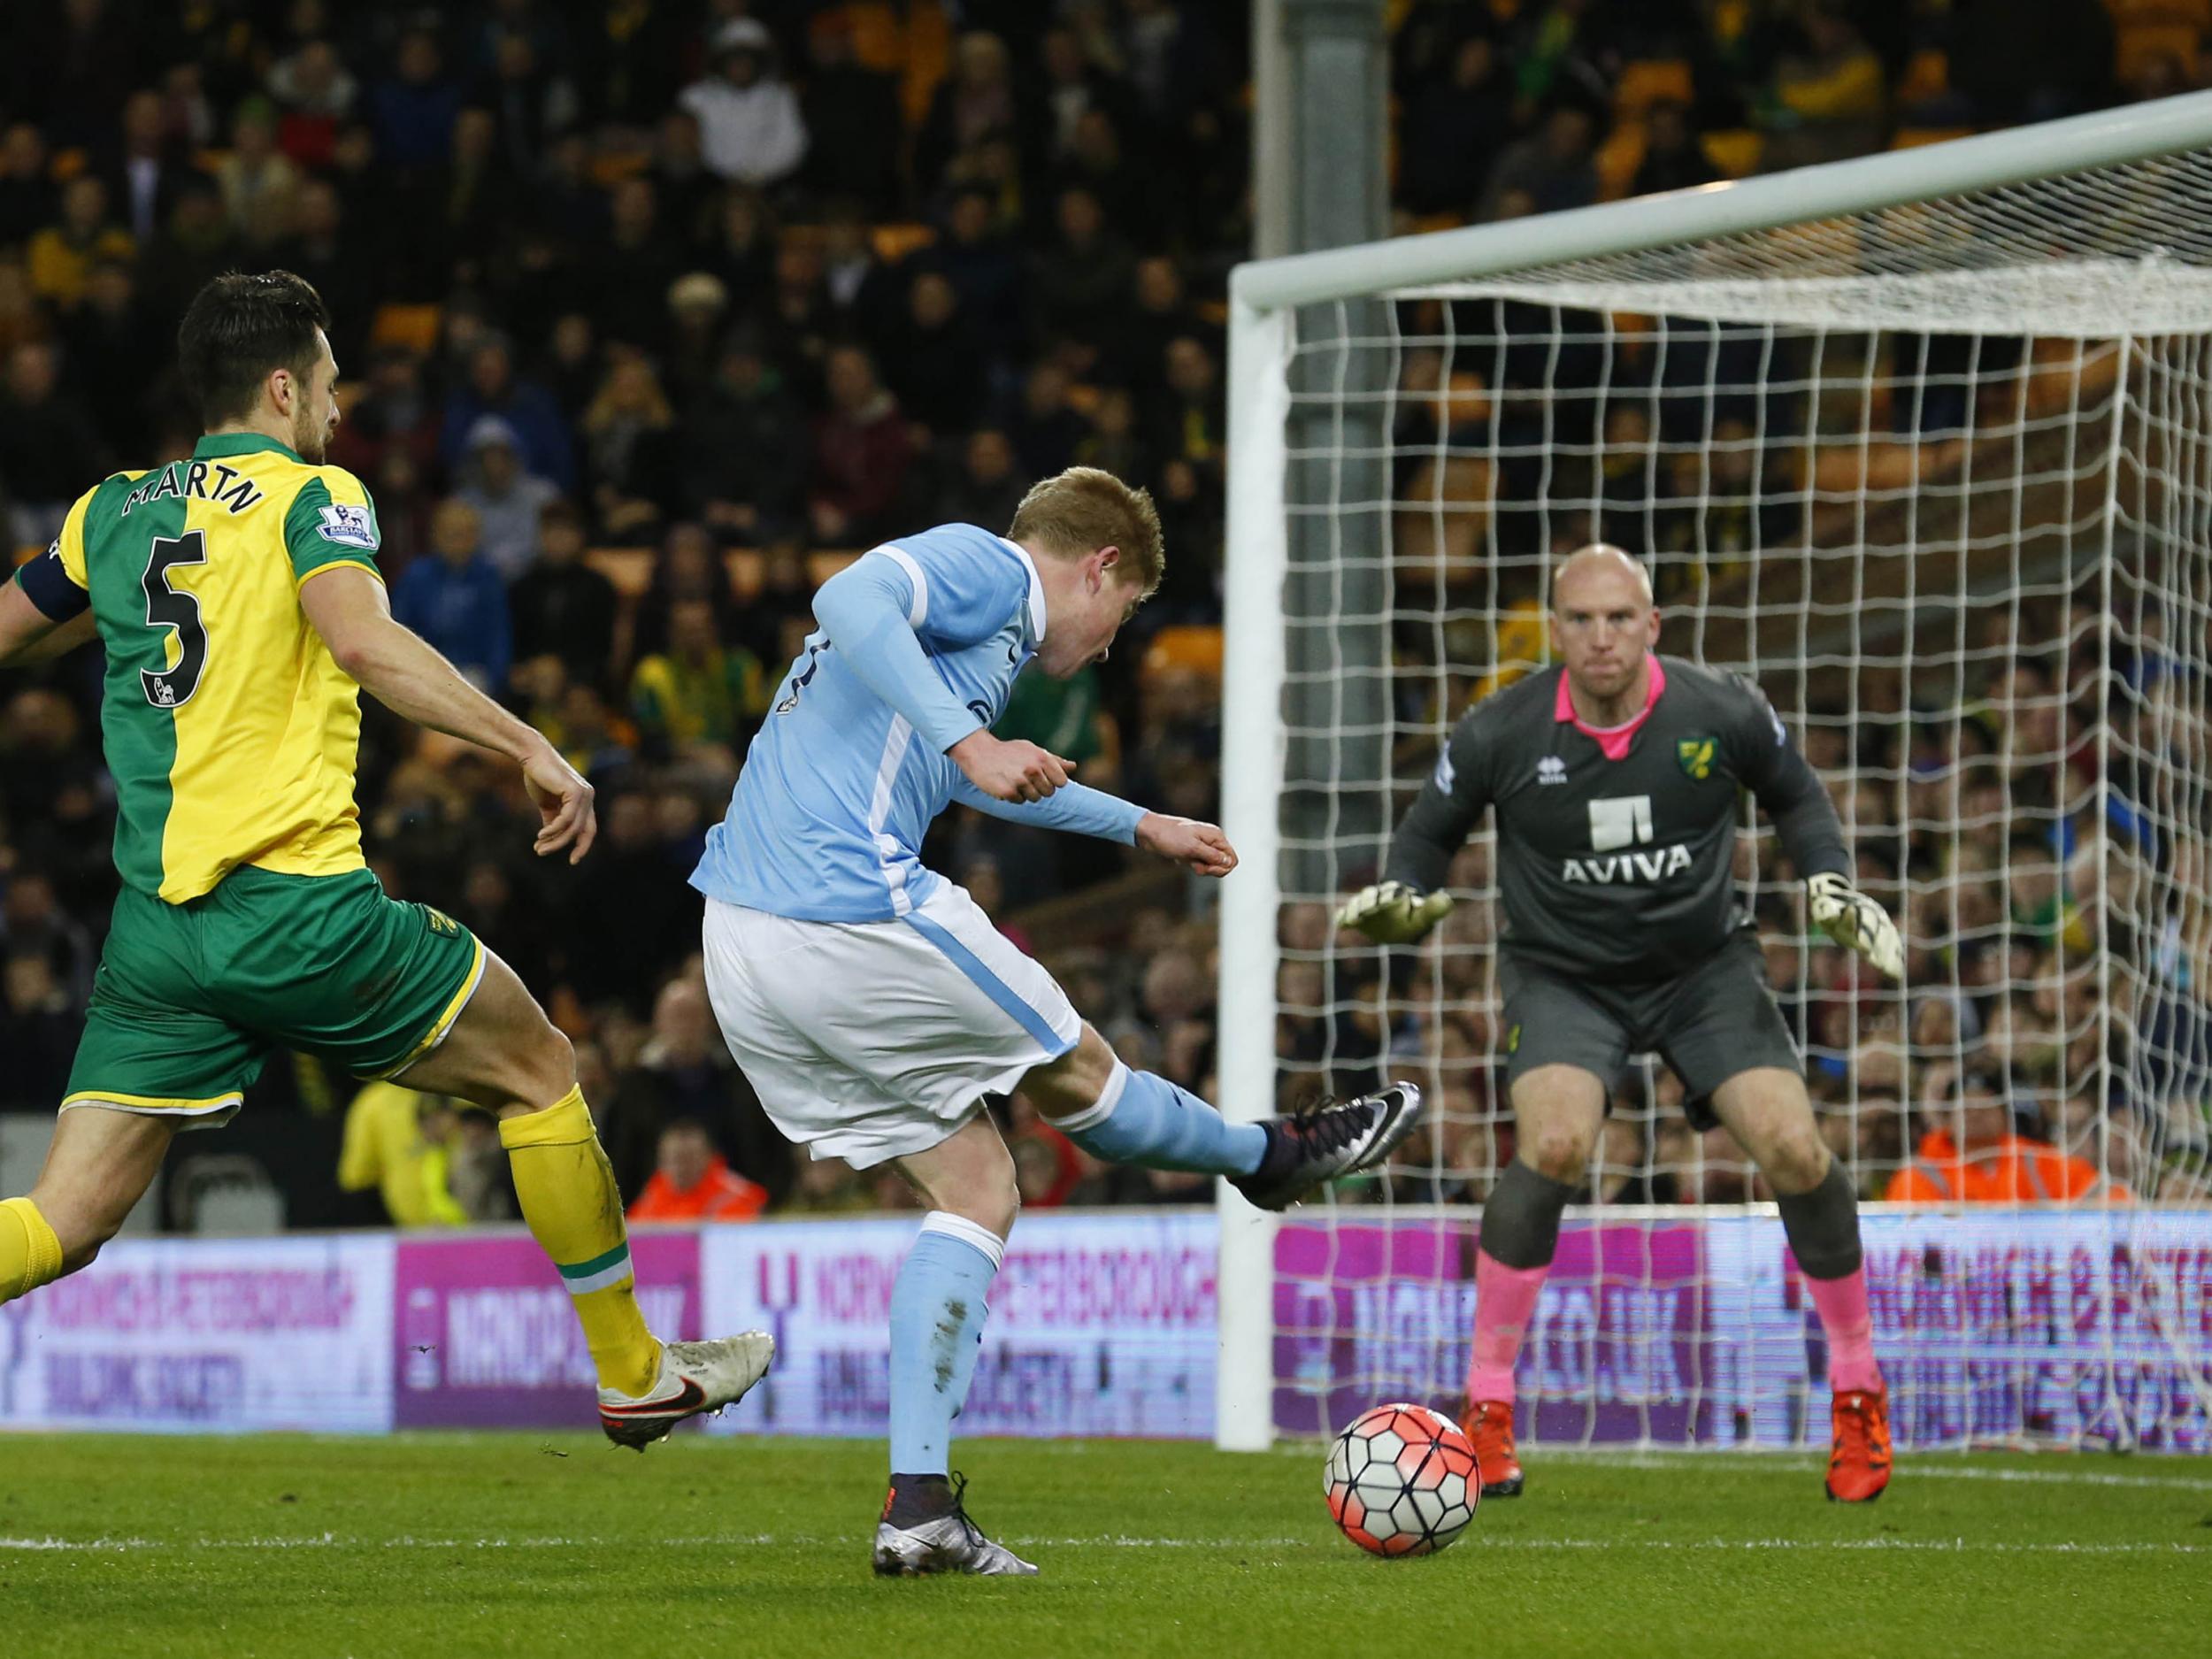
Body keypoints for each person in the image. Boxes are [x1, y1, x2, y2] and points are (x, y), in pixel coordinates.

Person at [0, 271, 770, 1448]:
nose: (339, 405)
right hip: (296, 905)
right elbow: (361, 637)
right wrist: (528, 743)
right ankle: (632, 1369)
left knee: (66, 1216)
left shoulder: (108, 511)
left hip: (159, 932)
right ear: (278, 385)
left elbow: (17, 625)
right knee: (540, 1065)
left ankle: (638, 1369)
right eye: (327, 381)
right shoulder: (316, 497)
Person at [692, 466, 1423, 1575]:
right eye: (1123, 618)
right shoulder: (991, 569)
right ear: (1100, 569)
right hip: (844, 904)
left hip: (743, 940)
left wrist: (1139, 824)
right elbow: (845, 596)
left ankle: (920, 1507)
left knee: (979, 1189)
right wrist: (974, 742)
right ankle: (1269, 1155)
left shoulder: (962, 660)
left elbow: (962, 779)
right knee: (1081, 1073)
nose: (1113, 643)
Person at [1338, 545, 1905, 1504]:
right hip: (1564, 974)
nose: (1600, 638)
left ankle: (1857, 1391)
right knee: (1554, 1142)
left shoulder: (1717, 710)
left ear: (1653, 625)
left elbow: (1796, 793)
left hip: (1702, 969)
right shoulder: (1500, 730)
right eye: (1580, 620)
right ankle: (1487, 1408)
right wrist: (1406, 892)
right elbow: (1430, 832)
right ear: (1555, 630)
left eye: (1618, 618)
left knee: (1795, 1150)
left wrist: (1826, 874)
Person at [627, 1118, 769, 1223]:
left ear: (709, 1157)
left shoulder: (734, 1195)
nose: (680, 1167)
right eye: (672, 1159)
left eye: (688, 1158)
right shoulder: (652, 1195)